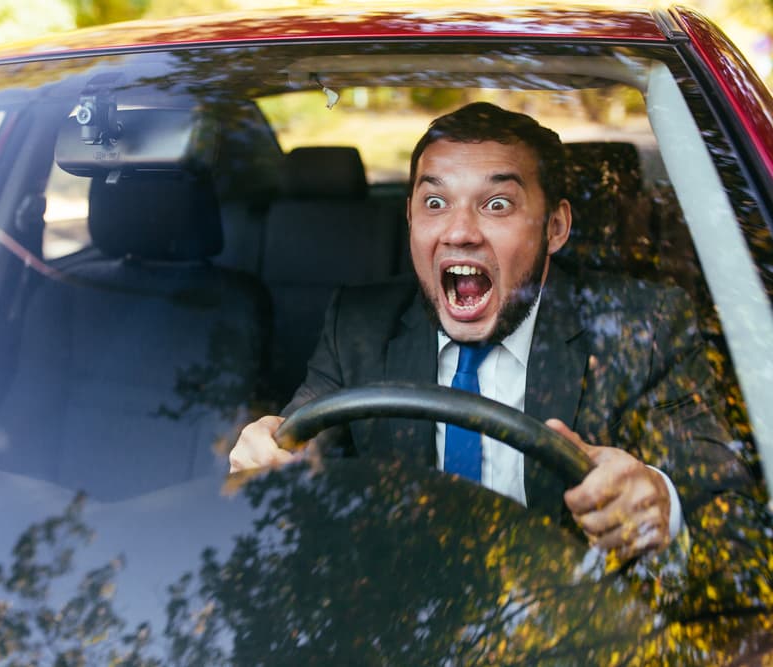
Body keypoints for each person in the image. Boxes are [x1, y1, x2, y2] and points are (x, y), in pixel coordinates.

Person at [228, 102, 755, 565]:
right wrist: (265, 457)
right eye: (435, 203)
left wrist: (662, 501)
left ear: (555, 227)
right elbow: (300, 456)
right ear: (409, 217)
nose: (459, 231)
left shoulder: (645, 325)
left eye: (496, 204)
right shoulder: (358, 325)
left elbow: (728, 510)